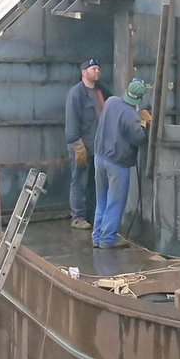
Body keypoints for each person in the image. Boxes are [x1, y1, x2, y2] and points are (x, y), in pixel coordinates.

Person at [92, 79, 151, 249]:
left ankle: (97, 237)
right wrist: (144, 125)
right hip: (117, 163)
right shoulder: (131, 116)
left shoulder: (111, 102)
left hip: (100, 158)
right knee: (115, 202)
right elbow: (139, 139)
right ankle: (107, 239)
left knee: (101, 200)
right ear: (139, 99)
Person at [65, 58, 109, 230]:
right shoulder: (76, 93)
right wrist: (77, 145)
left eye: (98, 68)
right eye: (93, 69)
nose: (97, 71)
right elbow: (72, 121)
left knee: (94, 182)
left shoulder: (101, 91)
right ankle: (78, 217)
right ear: (84, 72)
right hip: (81, 146)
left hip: (98, 146)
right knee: (79, 181)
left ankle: (91, 215)